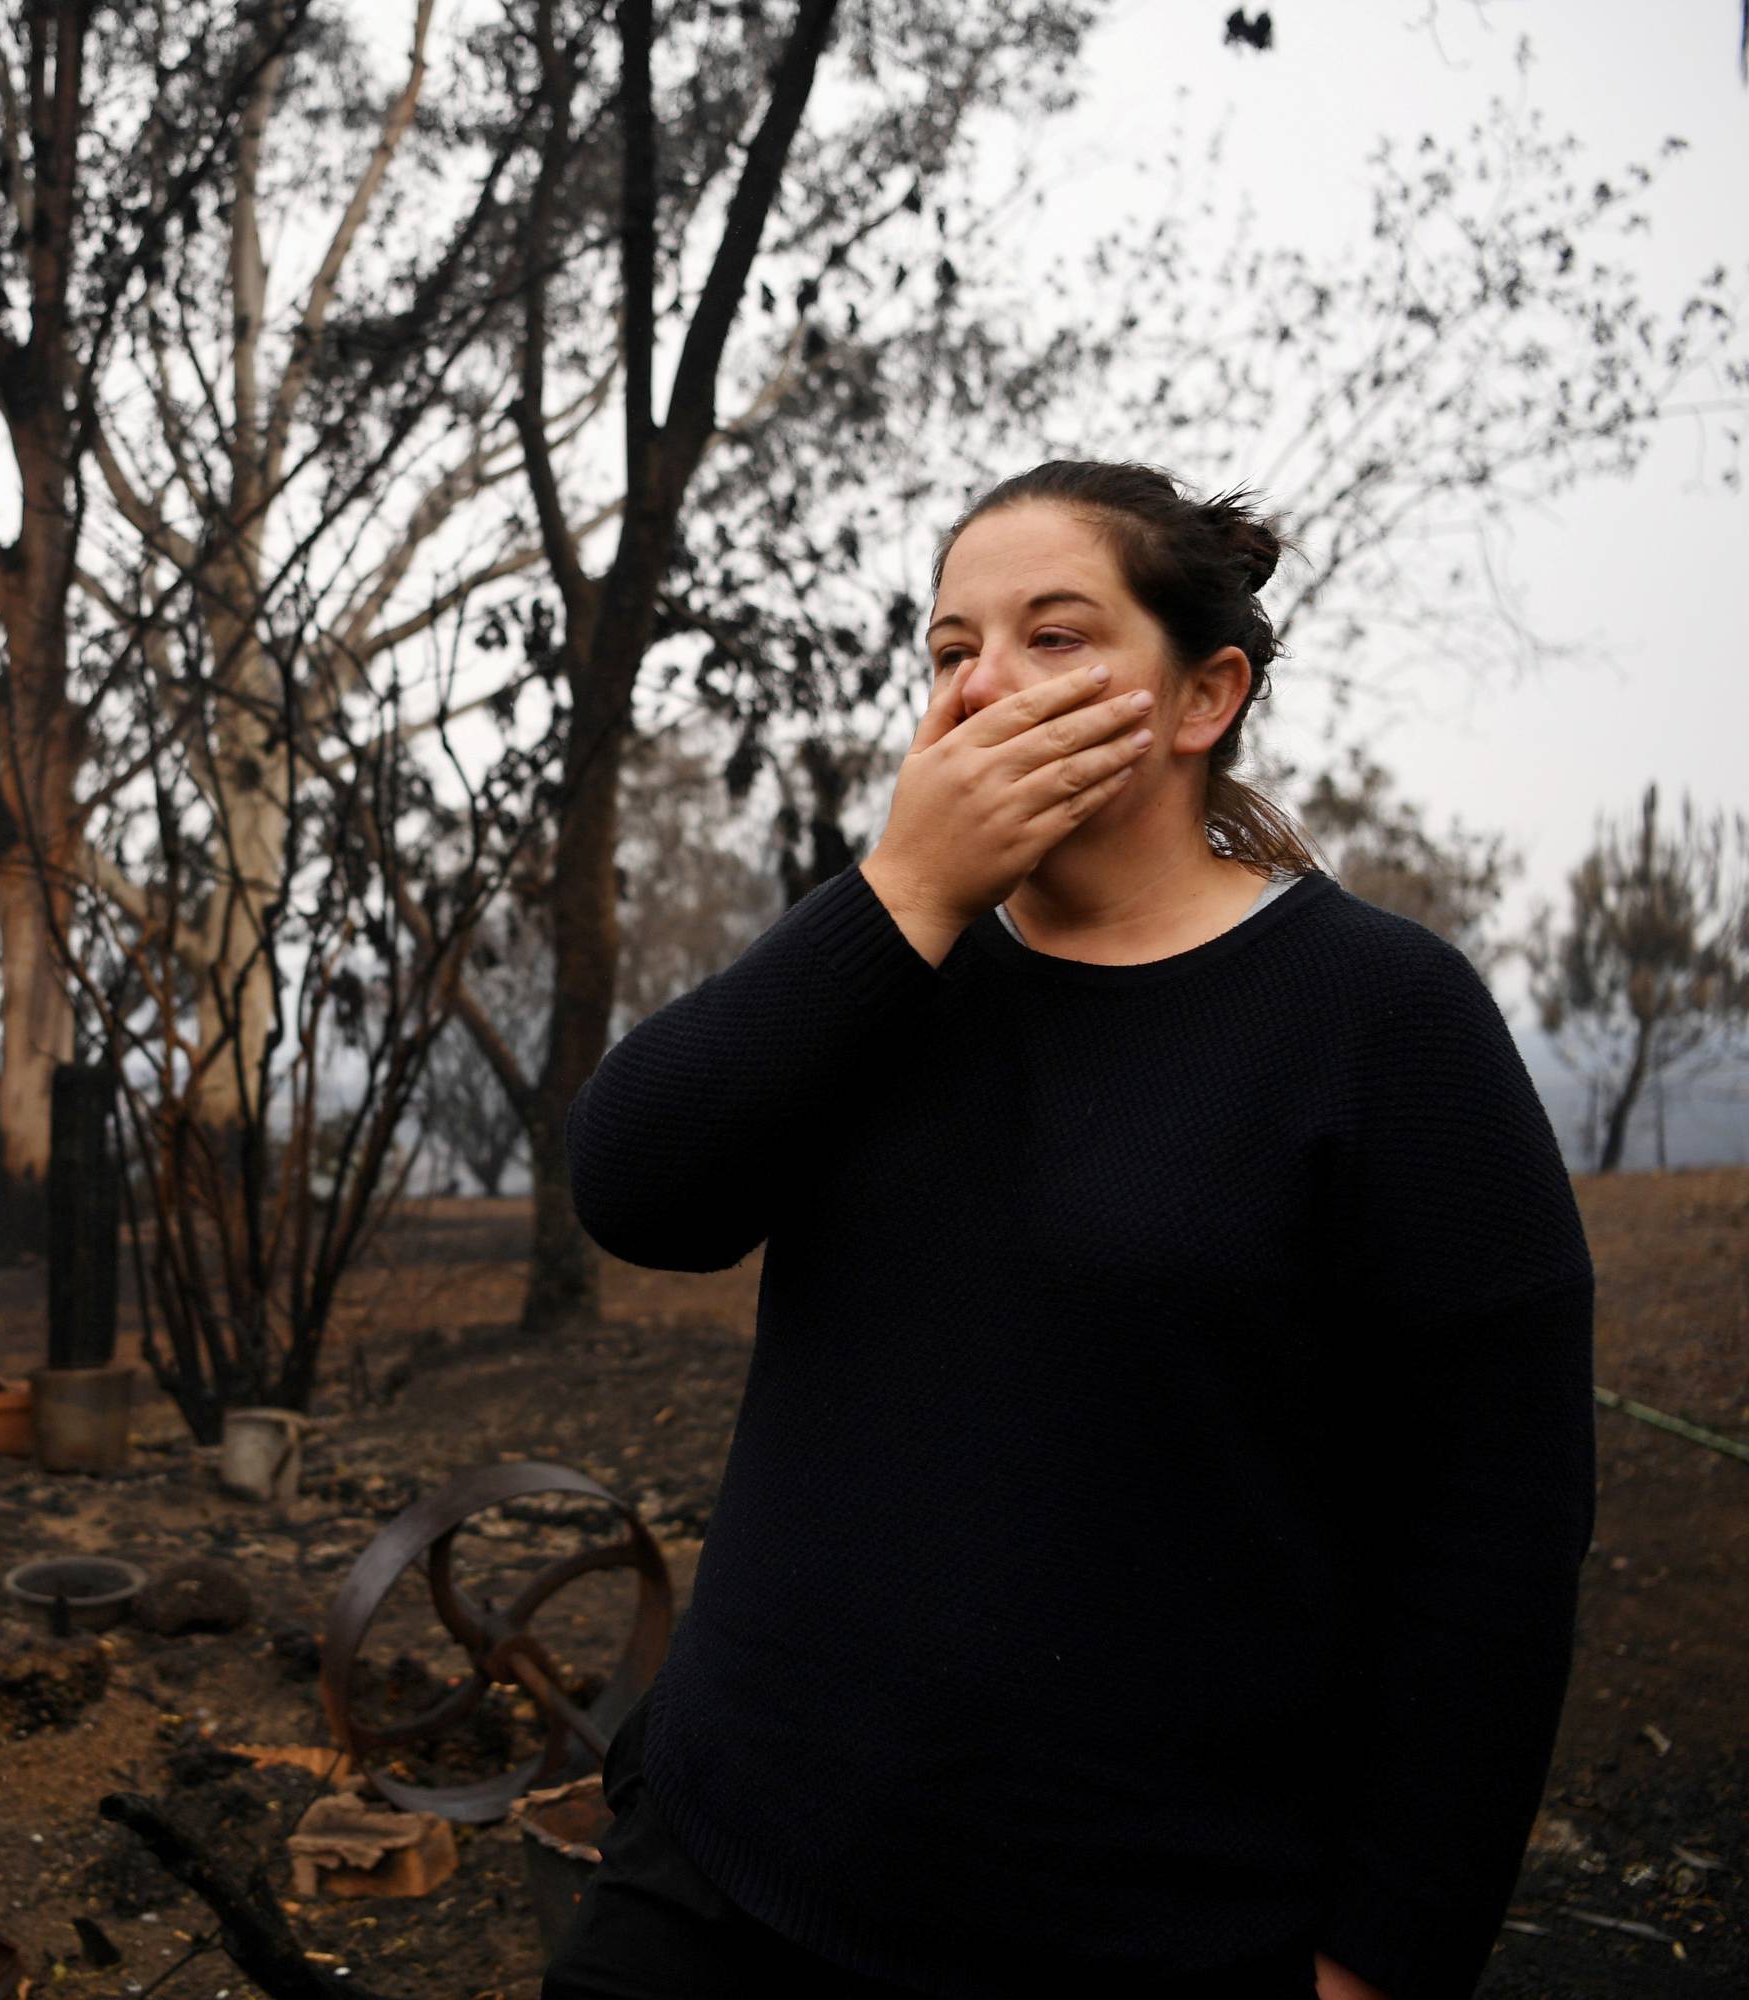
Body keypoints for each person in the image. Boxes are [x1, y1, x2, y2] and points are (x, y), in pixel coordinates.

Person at [546, 460, 1597, 2000]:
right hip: (728, 1862)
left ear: (1201, 698)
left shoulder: (1380, 1017)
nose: (986, 685)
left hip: (1136, 1921)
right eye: (951, 648)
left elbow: (1496, 1528)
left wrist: (1391, 1948)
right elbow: (639, 1191)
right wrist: (903, 889)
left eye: (1054, 635)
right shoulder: (885, 970)